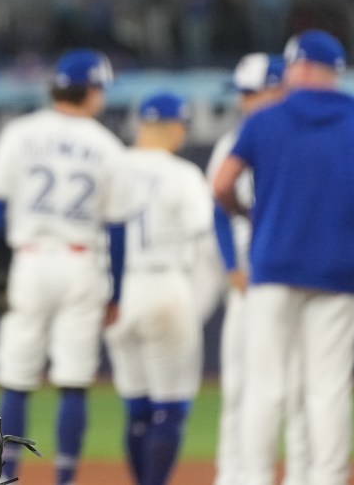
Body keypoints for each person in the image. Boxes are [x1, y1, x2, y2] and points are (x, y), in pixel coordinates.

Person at [212, 30, 354, 485]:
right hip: (337, 271)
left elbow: (221, 184)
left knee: (265, 386)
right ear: (336, 72)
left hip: (273, 268)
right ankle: (327, 479)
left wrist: (246, 211)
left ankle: (255, 478)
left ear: (297, 67)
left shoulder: (265, 121)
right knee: (328, 389)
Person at [0, 49, 131, 484]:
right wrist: (117, 292)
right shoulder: (108, 146)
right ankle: (64, 477)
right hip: (83, 265)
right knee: (74, 380)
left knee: (17, 377)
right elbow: (117, 231)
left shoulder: (22, 133)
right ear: (93, 90)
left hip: (32, 262)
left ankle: (8, 475)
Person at [205, 53, 310, 485]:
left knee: (302, 388)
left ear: (278, 88)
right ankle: (234, 476)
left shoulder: (303, 138)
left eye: (251, 92)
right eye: (242, 94)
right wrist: (232, 267)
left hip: (295, 278)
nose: (244, 102)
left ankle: (306, 475)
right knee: (239, 386)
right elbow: (218, 208)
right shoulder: (232, 142)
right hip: (250, 280)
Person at [103, 92, 212, 485]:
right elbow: (206, 240)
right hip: (166, 283)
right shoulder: (184, 174)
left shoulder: (112, 167)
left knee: (137, 407)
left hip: (117, 291)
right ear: (176, 127)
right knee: (171, 408)